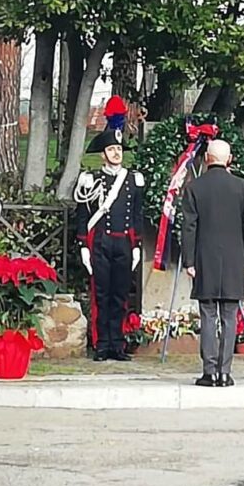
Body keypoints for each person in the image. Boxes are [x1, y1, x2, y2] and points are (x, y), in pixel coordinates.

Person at [180, 139, 244, 387]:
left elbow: (189, 227)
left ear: (206, 159)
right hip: (235, 260)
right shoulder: (243, 187)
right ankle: (225, 372)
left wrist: (189, 260)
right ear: (229, 159)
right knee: (230, 316)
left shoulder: (195, 187)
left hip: (205, 259)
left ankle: (209, 371)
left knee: (208, 315)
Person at [74, 97, 144, 362]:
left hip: (124, 242)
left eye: (119, 149)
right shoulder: (91, 179)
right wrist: (83, 245)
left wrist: (136, 245)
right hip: (101, 242)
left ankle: (118, 343)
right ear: (103, 153)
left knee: (120, 294)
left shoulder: (133, 179)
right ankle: (101, 343)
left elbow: (136, 214)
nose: (117, 153)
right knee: (100, 294)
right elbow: (84, 214)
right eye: (112, 149)